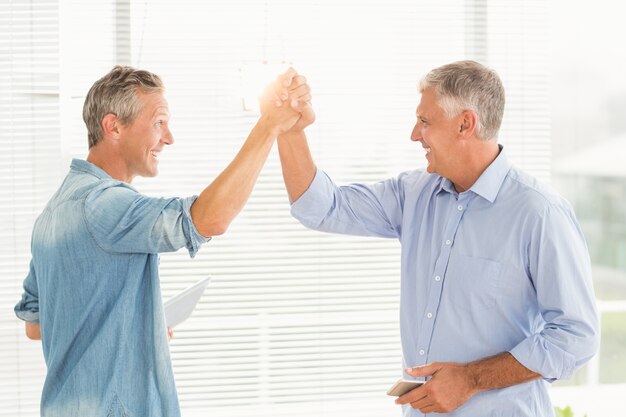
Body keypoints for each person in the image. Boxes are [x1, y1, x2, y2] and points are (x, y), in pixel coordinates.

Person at [277, 60, 600, 416]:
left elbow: (575, 336)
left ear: (465, 124)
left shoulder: (539, 212)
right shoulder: (414, 194)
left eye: (425, 121)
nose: (415, 134)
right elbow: (321, 208)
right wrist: (290, 129)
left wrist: (471, 379)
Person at [14, 65, 310, 417]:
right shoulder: (103, 204)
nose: (169, 138)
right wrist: (269, 125)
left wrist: (135, 327)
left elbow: (37, 325)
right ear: (114, 126)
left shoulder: (53, 213)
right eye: (159, 123)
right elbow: (209, 218)